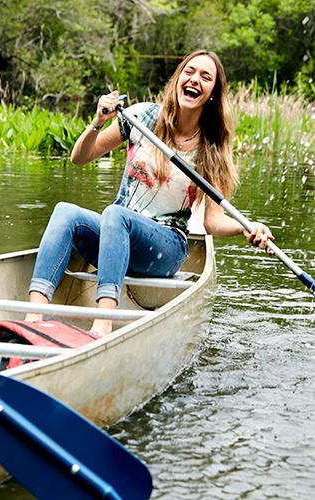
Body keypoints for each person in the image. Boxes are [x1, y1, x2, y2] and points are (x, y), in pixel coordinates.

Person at [26, 49, 274, 336]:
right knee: (66, 212)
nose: (195, 79)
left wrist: (247, 228)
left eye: (206, 77)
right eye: (189, 72)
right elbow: (79, 158)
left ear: (213, 94)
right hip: (117, 237)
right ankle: (33, 317)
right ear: (178, 79)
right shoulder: (141, 117)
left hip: (165, 249)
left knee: (116, 215)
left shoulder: (212, 147)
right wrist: (97, 122)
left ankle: (102, 325)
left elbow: (212, 222)